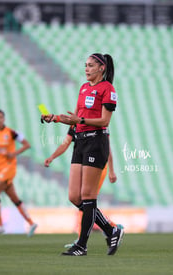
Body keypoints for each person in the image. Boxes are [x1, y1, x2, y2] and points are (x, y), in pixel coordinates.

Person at [41, 53, 123, 256]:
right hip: (81, 142)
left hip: (96, 141)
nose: (86, 69)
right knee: (74, 196)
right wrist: (55, 118)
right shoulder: (84, 88)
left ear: (101, 68)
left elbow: (105, 121)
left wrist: (81, 120)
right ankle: (111, 230)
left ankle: (82, 246)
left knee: (88, 196)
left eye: (91, 66)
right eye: (85, 65)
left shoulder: (107, 89)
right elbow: (75, 118)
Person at [44, 125, 123, 248]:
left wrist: (111, 170)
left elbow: (107, 147)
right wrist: (52, 157)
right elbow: (65, 143)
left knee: (87, 201)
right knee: (81, 201)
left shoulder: (95, 123)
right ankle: (112, 228)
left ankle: (83, 240)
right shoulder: (74, 125)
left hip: (97, 166)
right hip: (84, 166)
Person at [0, 109, 38, 237]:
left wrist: (14, 153)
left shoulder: (11, 132)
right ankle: (31, 222)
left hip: (9, 168)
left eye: (1, 117)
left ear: (4, 119)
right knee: (14, 198)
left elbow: (27, 144)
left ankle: (0, 225)